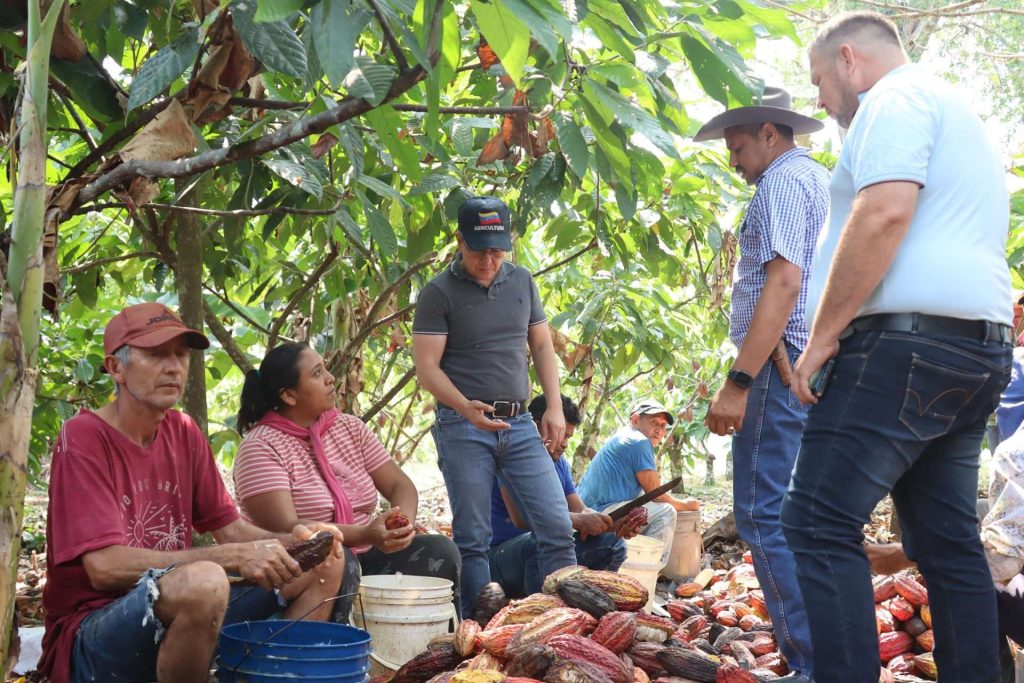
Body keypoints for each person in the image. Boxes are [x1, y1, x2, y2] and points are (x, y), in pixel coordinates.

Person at [780, 11, 1014, 682]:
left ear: (849, 59)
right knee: (945, 542)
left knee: (818, 523)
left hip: (905, 349)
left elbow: (884, 212)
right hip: (975, 352)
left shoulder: (896, 97)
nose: (821, 101)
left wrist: (822, 336)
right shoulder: (954, 112)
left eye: (819, 81)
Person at [39, 303, 345, 683]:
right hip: (94, 632)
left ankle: (272, 676)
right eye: (155, 355)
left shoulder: (183, 431)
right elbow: (103, 568)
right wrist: (233, 557)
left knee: (324, 562)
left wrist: (294, 540)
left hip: (171, 611)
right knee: (204, 582)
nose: (173, 367)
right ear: (116, 368)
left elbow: (231, 531)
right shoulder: (83, 437)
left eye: (180, 355)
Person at [697, 86, 828, 680]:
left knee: (760, 512)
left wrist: (739, 380)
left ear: (770, 134)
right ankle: (830, 654)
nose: (735, 160)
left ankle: (810, 660)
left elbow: (782, 283)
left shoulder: (779, 182)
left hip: (779, 364)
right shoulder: (815, 180)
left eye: (739, 145)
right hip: (805, 357)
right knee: (799, 514)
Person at [412, 196, 577, 616]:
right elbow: (427, 369)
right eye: (479, 249)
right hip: (462, 424)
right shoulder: (437, 293)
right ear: (459, 241)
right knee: (473, 538)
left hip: (519, 421)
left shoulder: (521, 281)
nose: (489, 260)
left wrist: (553, 407)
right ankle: (479, 633)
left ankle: (565, 621)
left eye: (497, 250)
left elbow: (541, 343)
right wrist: (464, 406)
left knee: (556, 525)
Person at [232, 342, 462, 621]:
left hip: (368, 551)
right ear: (289, 396)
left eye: (325, 368)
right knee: (339, 557)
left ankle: (431, 653)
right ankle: (342, 651)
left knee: (441, 552)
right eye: (317, 374)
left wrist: (400, 527)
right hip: (303, 567)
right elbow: (288, 528)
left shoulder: (349, 428)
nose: (330, 377)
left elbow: (400, 486)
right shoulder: (261, 447)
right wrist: (365, 533)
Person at [488, 395, 632, 598]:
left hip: (536, 548)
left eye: (568, 438)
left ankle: (591, 606)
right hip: (502, 558)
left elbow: (579, 508)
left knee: (612, 543)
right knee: (540, 540)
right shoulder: (510, 457)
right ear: (539, 426)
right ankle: (542, 612)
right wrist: (581, 521)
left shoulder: (558, 462)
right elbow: (522, 519)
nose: (564, 444)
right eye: (562, 435)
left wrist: (608, 522)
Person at [576, 400, 700, 567]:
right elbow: (655, 493)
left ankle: (629, 562)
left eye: (663, 426)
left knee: (646, 502)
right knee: (666, 511)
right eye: (653, 423)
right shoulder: (639, 441)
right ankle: (648, 571)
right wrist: (686, 505)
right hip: (599, 512)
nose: (659, 430)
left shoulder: (623, 437)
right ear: (635, 420)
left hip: (587, 510)